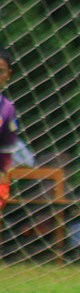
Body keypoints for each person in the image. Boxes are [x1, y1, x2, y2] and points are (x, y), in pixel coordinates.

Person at [0, 46, 20, 214]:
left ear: (8, 74)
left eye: (0, 71)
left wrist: (3, 184)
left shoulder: (7, 109)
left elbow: (6, 153)